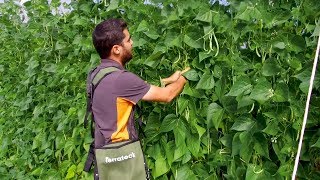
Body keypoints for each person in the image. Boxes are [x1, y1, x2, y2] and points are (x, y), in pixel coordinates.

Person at [89, 18, 188, 179]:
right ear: (116, 49)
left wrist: (168, 80)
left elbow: (131, 90)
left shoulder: (97, 74)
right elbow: (168, 96)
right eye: (128, 40)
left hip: (104, 156)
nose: (132, 42)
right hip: (122, 158)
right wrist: (186, 77)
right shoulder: (122, 79)